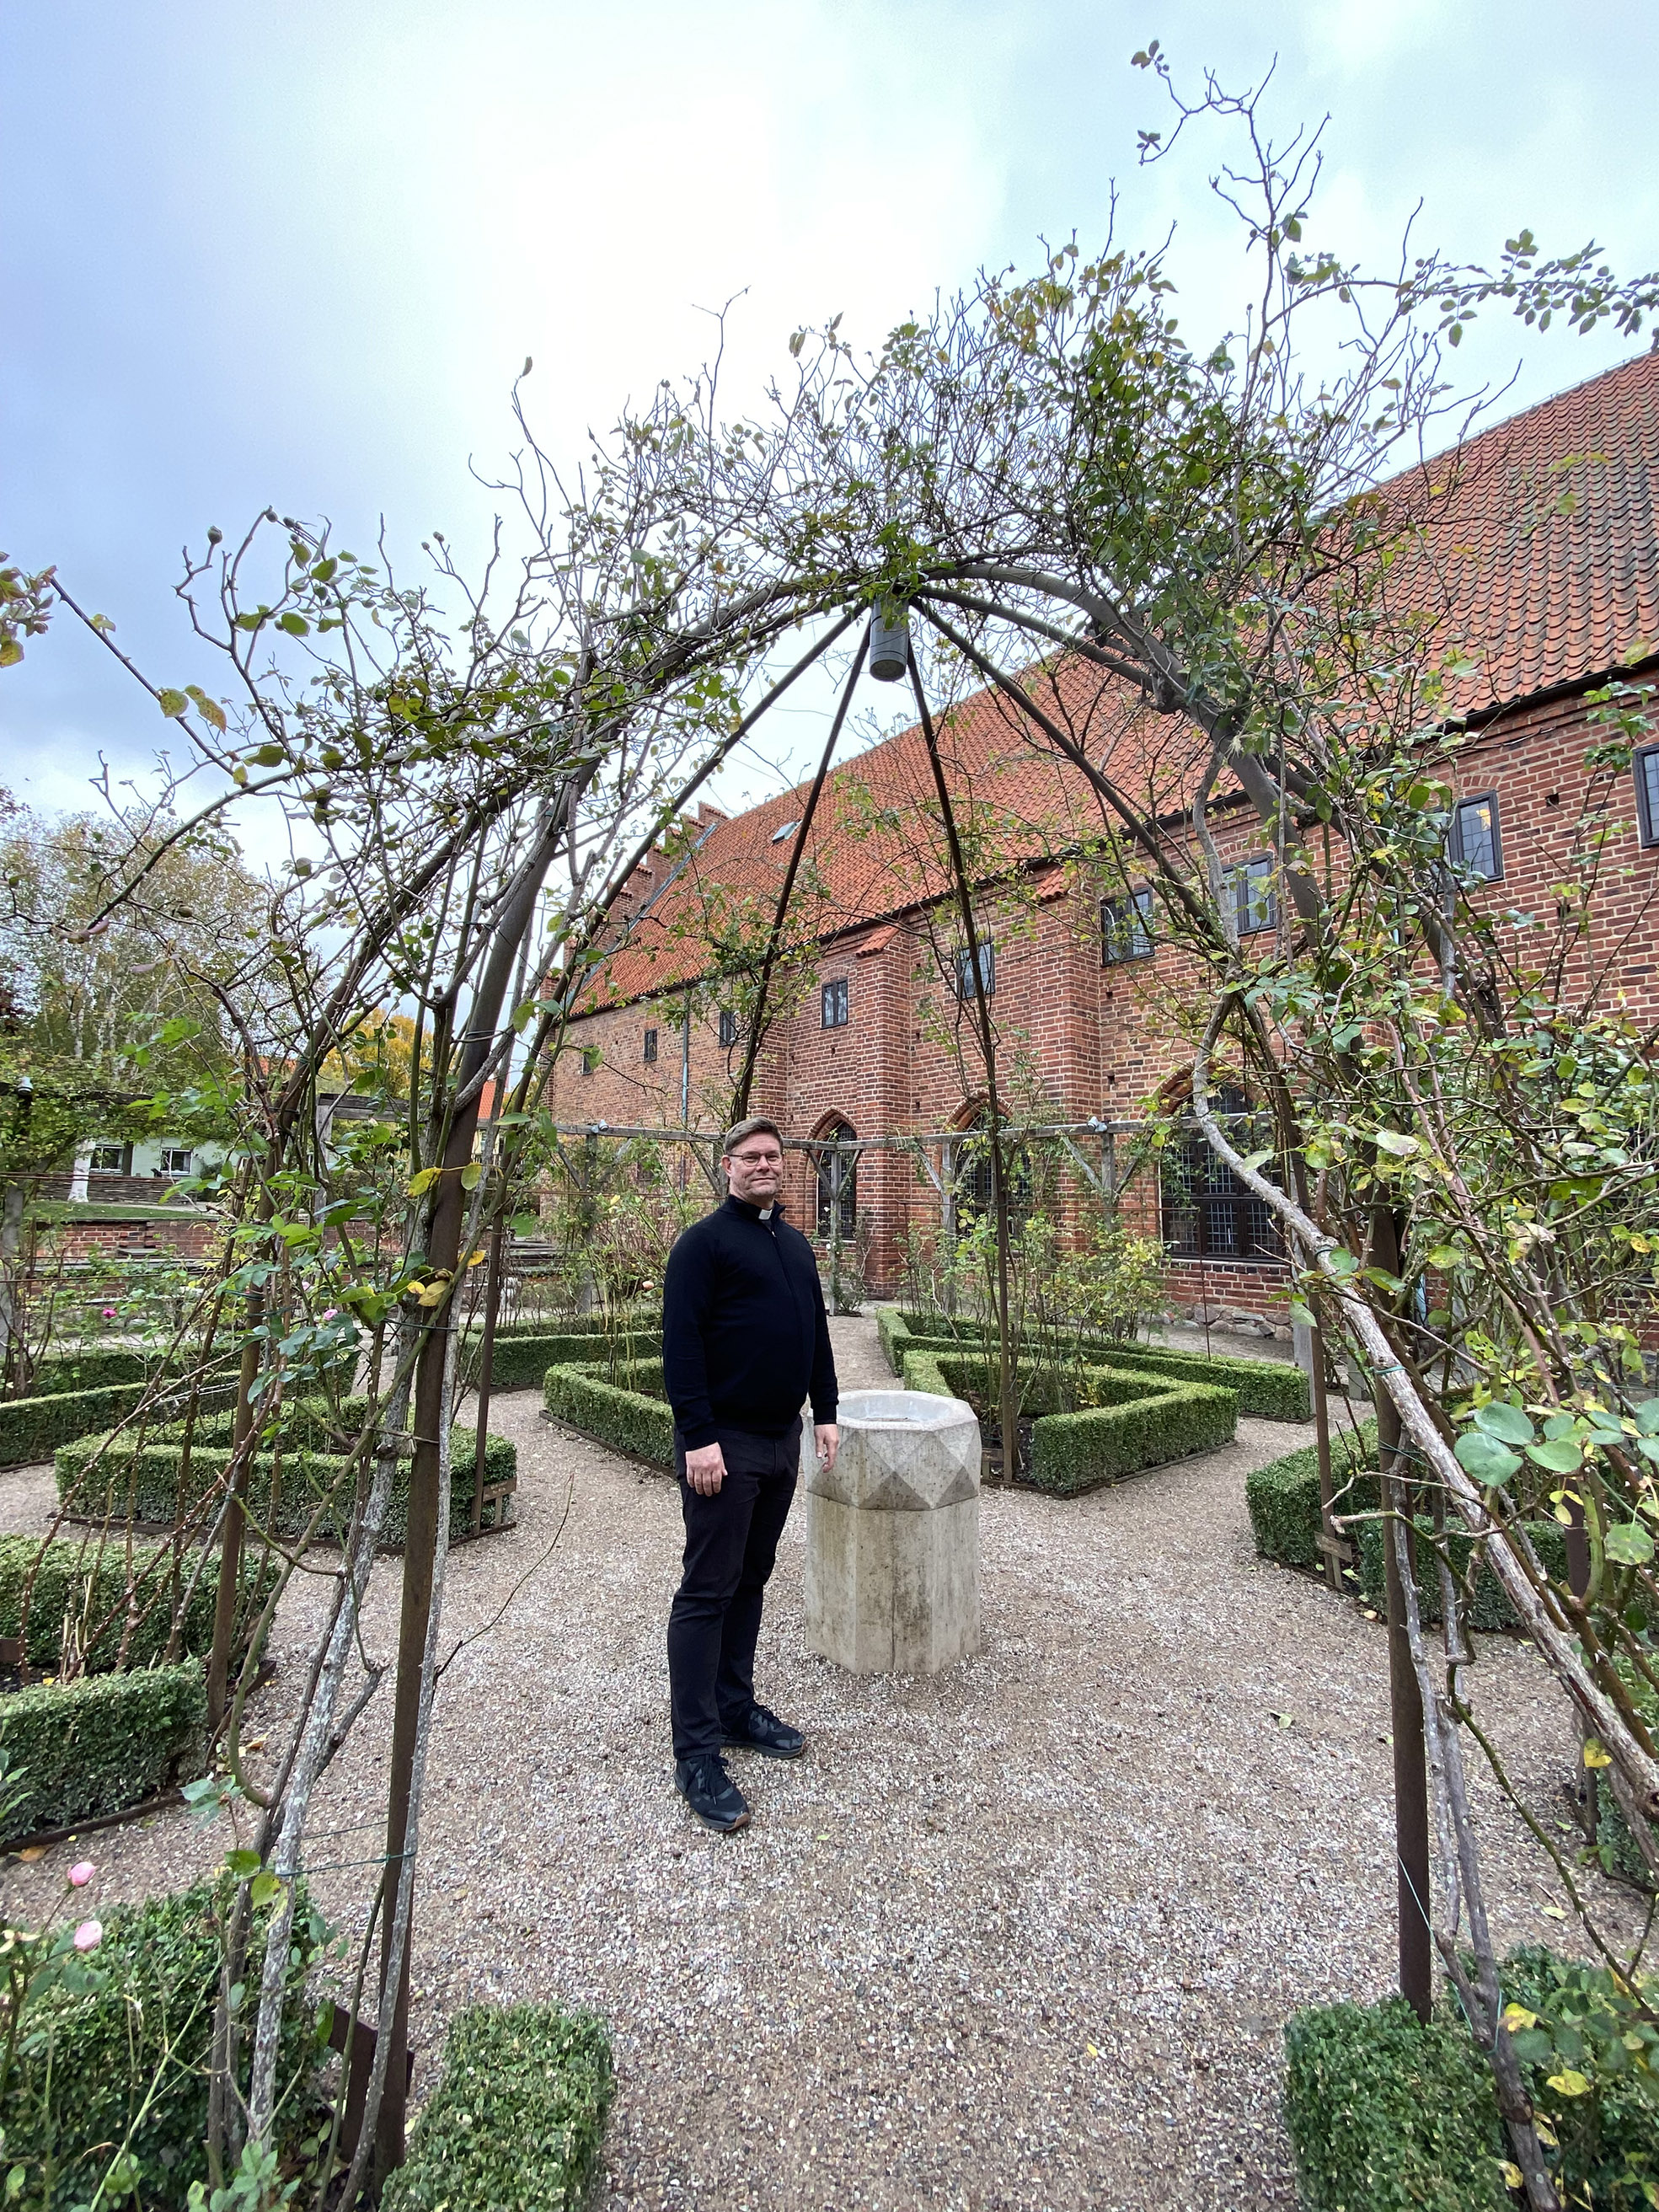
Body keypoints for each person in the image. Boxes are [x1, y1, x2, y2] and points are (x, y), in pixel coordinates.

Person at [661, 1115, 839, 1832]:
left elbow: (816, 1332)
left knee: (752, 1580)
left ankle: (735, 1708)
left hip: (779, 1440)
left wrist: (824, 1410)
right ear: (727, 1165)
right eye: (752, 1156)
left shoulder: (793, 1243)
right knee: (706, 1589)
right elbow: (680, 1347)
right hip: (723, 1444)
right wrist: (698, 1437)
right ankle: (695, 1751)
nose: (765, 1164)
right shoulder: (702, 1245)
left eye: (774, 1155)